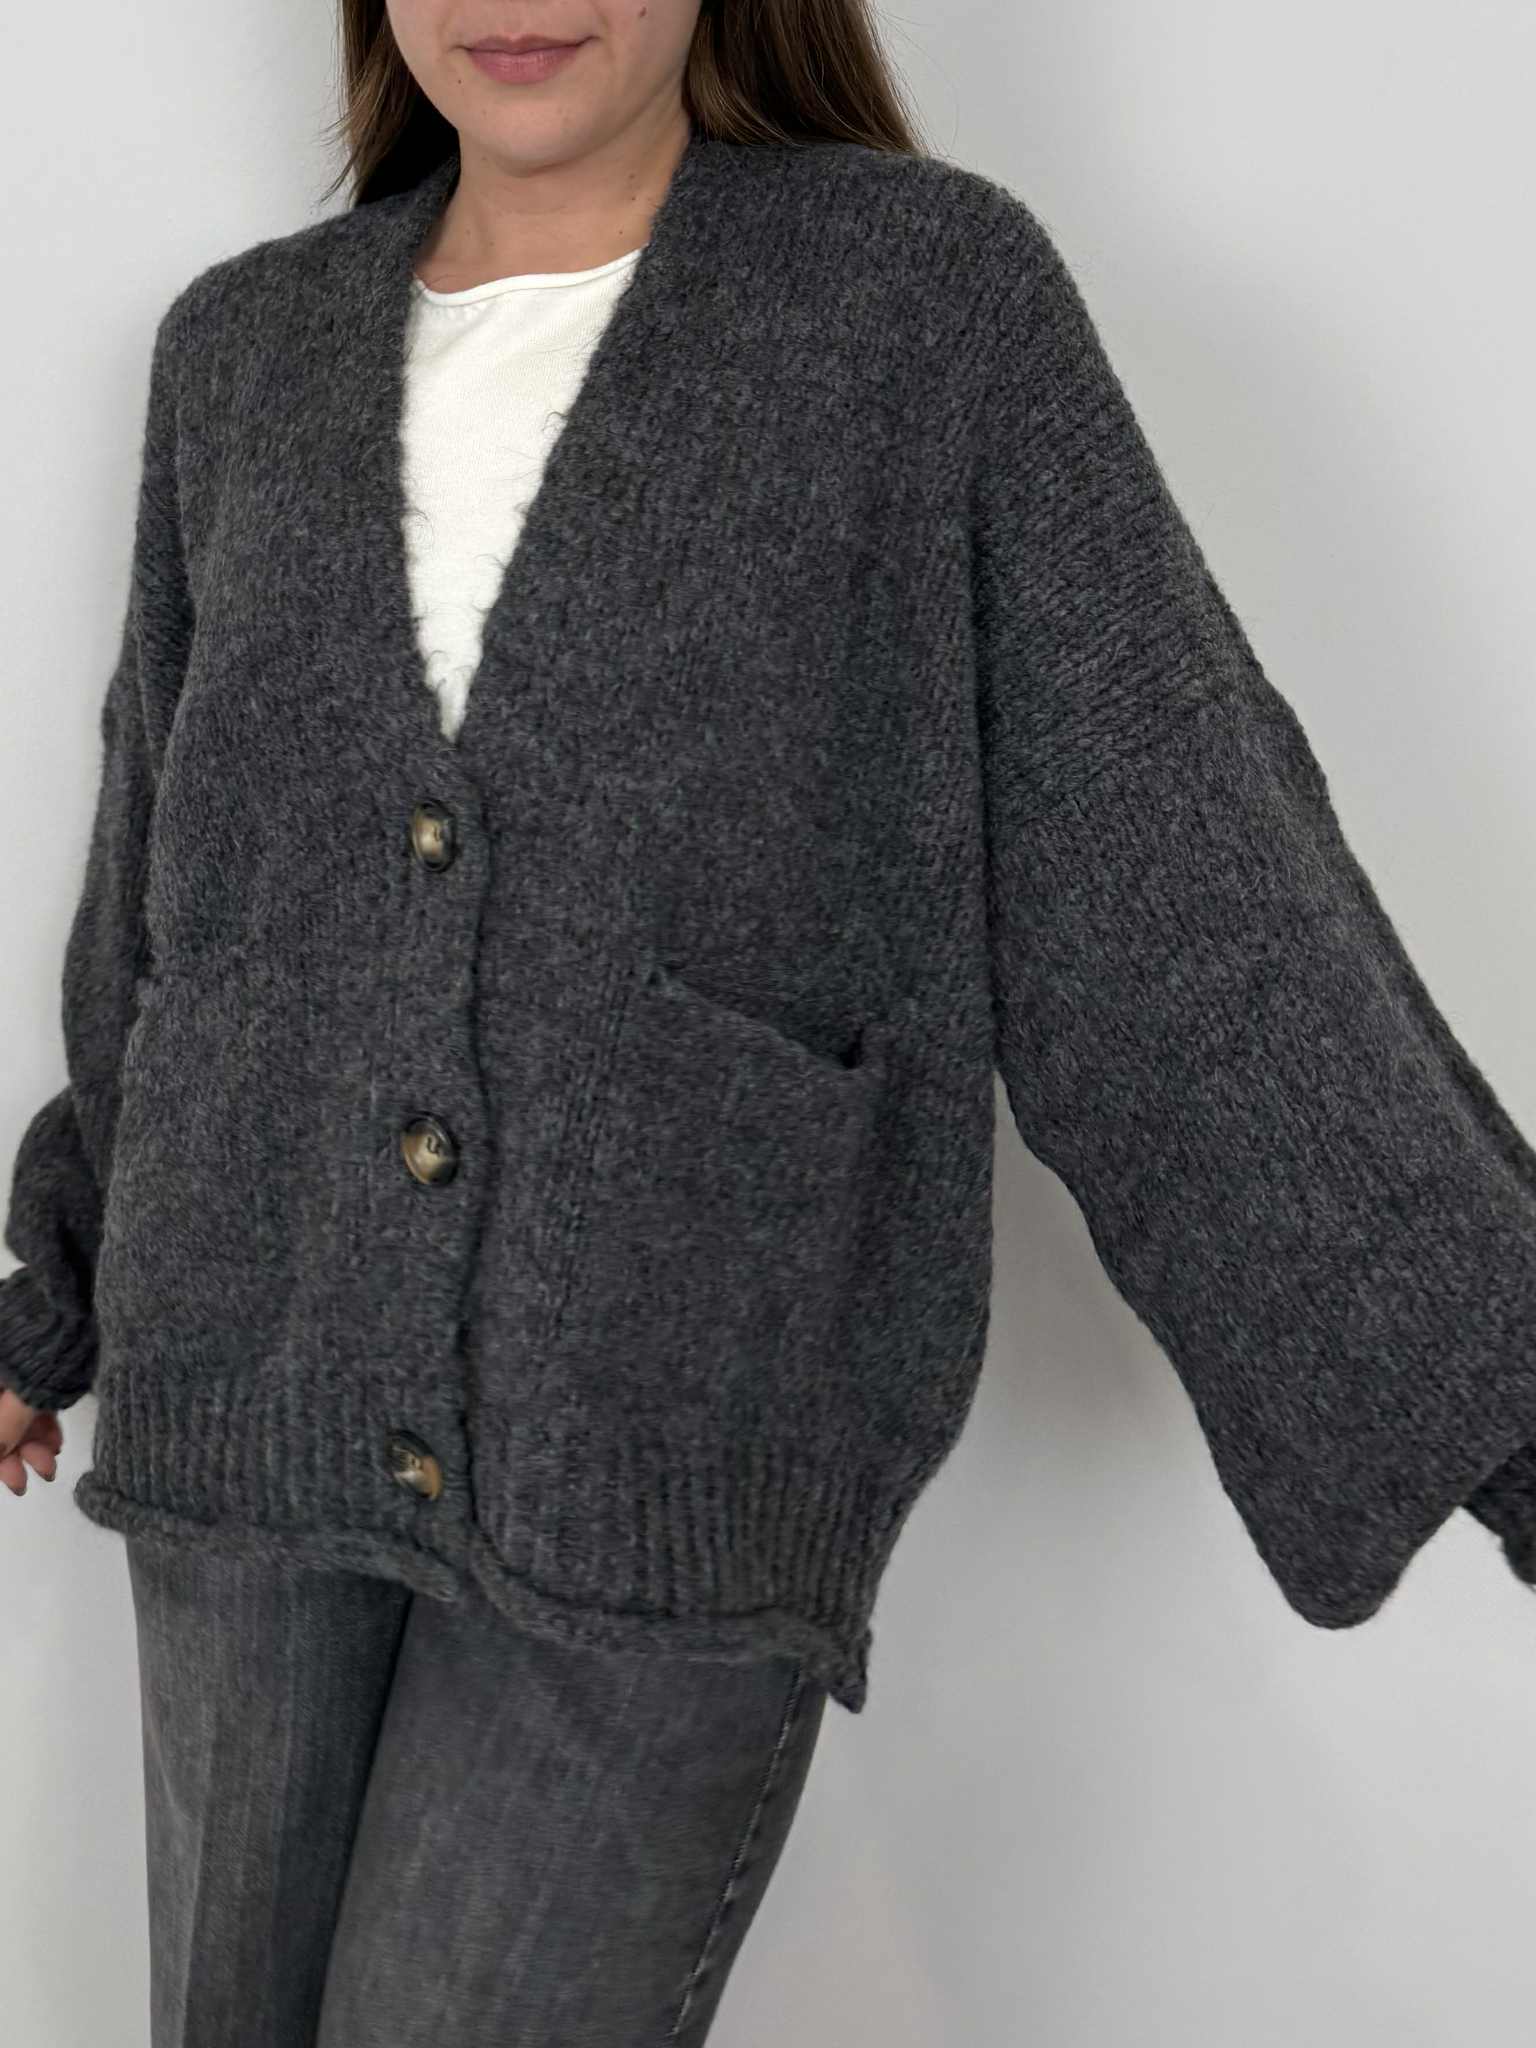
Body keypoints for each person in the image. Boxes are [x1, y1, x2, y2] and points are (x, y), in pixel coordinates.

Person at [5, 1, 1536, 2042]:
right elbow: (169, 901)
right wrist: (49, 1296)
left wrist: (1500, 1386)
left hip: (673, 1429)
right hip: (239, 1395)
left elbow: (1173, 861)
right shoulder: (238, 352)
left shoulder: (918, 307)